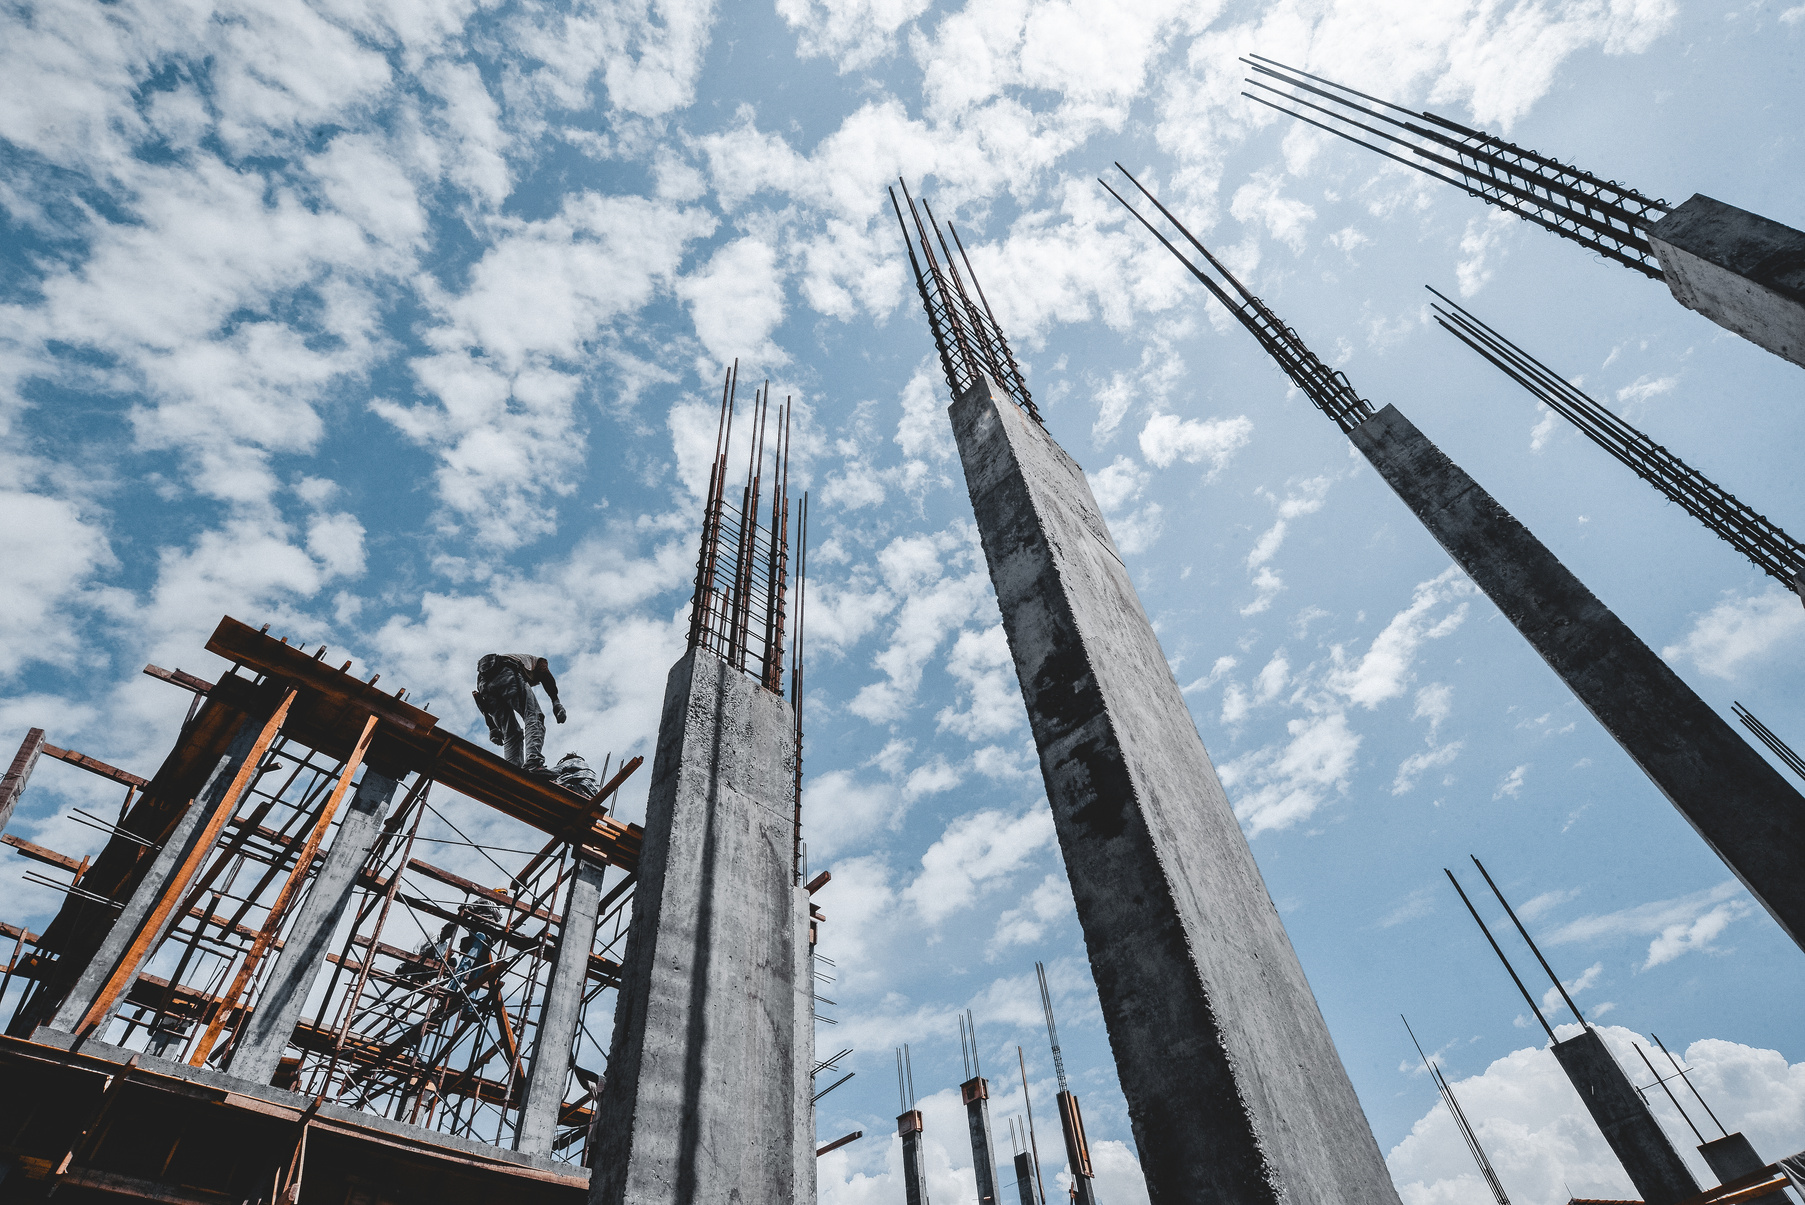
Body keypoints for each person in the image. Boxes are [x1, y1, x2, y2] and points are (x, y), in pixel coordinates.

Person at [473, 653, 567, 772]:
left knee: (510, 733)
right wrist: (556, 703)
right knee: (533, 716)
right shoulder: (538, 662)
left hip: (483, 684)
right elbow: (546, 676)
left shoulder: (493, 669)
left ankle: (512, 771)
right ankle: (534, 762)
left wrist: (492, 727)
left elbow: (483, 700)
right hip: (506, 671)